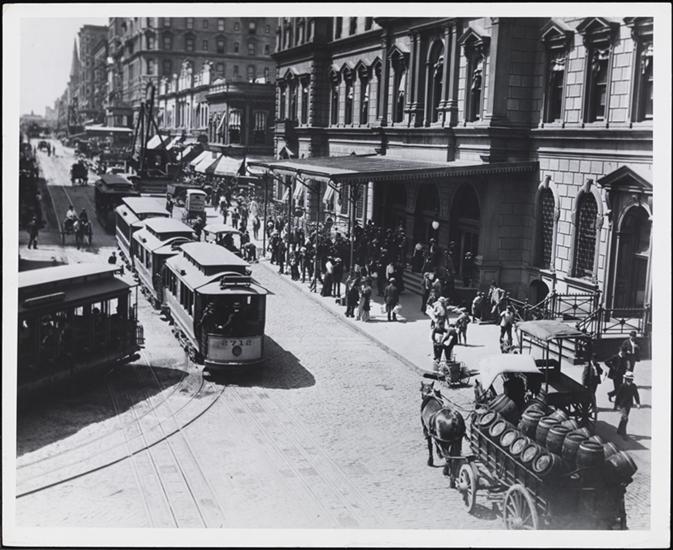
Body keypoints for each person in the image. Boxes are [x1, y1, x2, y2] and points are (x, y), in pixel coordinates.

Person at [614, 371, 640, 439]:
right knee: (625, 418)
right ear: (625, 379)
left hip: (629, 404)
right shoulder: (622, 386)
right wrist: (616, 405)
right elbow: (618, 396)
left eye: (631, 379)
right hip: (622, 405)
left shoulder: (633, 386)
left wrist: (638, 403)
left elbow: (636, 395)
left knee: (624, 418)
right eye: (628, 379)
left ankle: (619, 430)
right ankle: (624, 434)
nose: (629, 381)